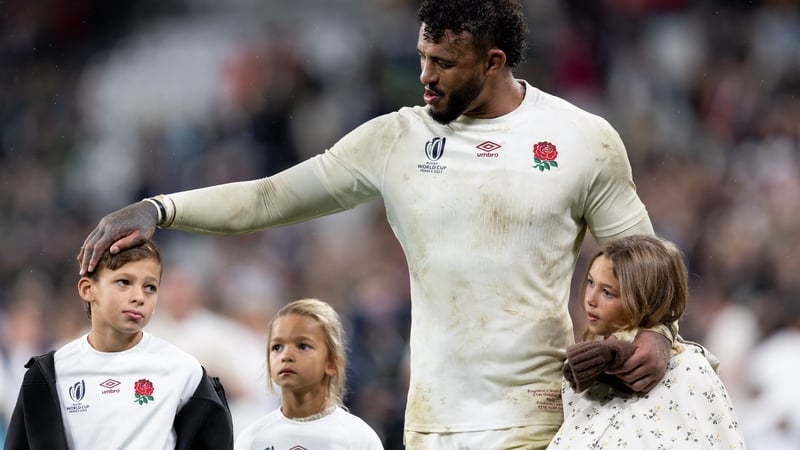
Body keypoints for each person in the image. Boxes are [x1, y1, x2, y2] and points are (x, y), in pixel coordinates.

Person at [79, 1, 675, 447]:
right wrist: (161, 209)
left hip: (542, 418)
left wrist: (660, 337)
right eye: (422, 57)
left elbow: (640, 259)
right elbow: (268, 198)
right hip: (434, 422)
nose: (425, 76)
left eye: (444, 63)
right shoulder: (396, 138)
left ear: (494, 62)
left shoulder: (581, 139)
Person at [4, 239, 234, 450]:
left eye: (150, 287)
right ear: (88, 289)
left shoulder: (184, 371)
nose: (139, 297)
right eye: (124, 282)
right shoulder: (49, 374)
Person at [548, 235, 745, 449]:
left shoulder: (689, 370)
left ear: (643, 299)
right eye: (590, 282)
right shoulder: (581, 375)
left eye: (607, 292)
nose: (590, 299)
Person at [234, 298, 384, 449]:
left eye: (303, 346)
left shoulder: (359, 439)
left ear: (332, 363)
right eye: (277, 347)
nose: (286, 355)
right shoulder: (251, 439)